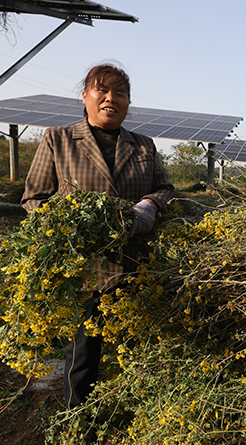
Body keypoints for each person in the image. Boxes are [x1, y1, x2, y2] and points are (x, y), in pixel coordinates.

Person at [21, 63, 175, 414]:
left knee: (139, 350)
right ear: (85, 96)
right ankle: (77, 424)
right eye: (102, 90)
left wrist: (151, 205)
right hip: (85, 268)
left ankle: (141, 423)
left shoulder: (144, 146)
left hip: (138, 263)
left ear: (128, 102)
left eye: (120, 92)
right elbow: (34, 199)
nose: (111, 98)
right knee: (84, 352)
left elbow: (167, 189)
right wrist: (69, 227)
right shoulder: (59, 139)